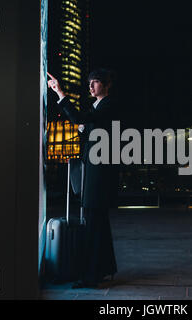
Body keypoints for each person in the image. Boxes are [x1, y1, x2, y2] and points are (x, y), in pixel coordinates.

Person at [48, 68, 119, 288]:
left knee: (93, 222)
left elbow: (81, 119)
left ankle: (92, 276)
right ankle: (105, 269)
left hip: (99, 173)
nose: (90, 86)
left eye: (95, 82)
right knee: (98, 222)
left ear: (106, 85)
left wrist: (60, 92)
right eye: (90, 83)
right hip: (95, 170)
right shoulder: (97, 107)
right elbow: (86, 128)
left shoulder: (108, 106)